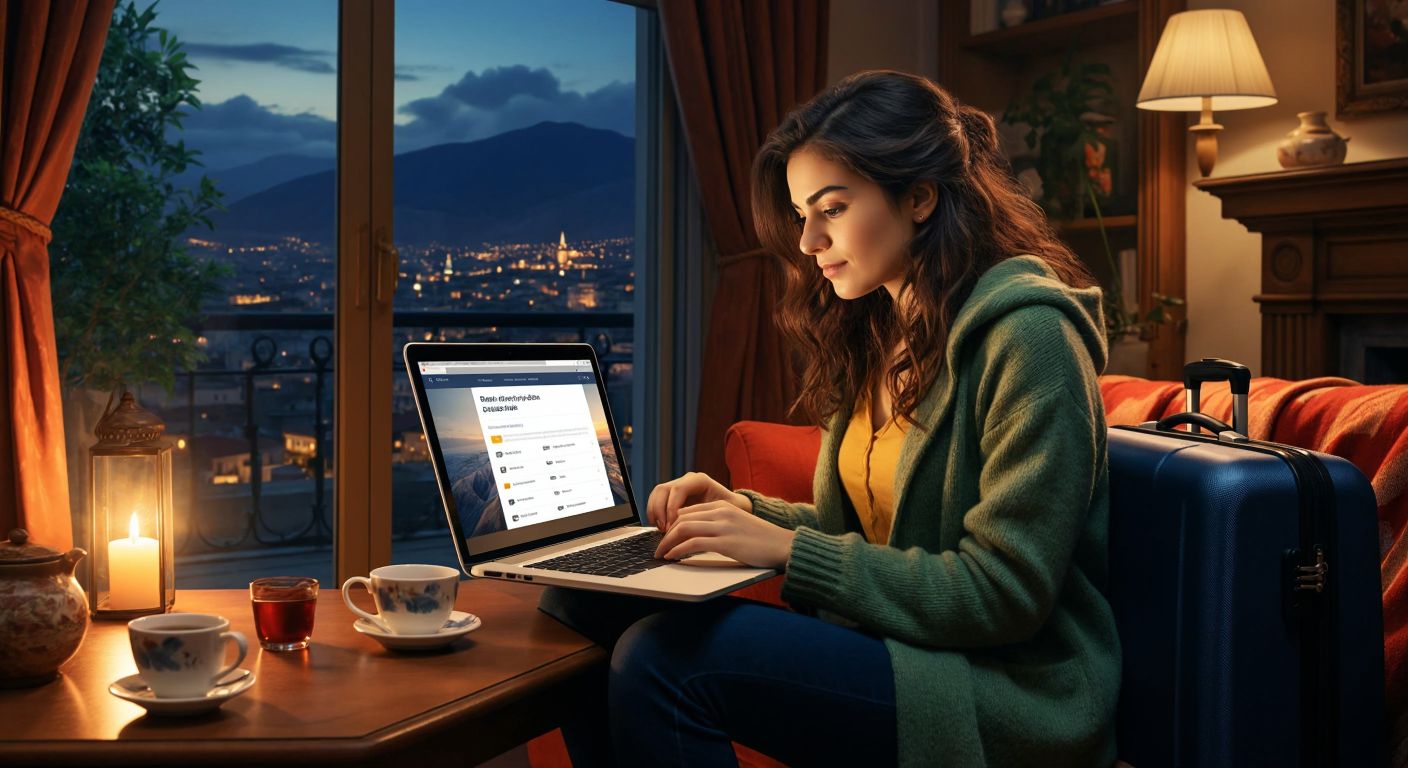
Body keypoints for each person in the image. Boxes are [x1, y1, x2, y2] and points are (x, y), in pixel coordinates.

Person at [540, 69, 1120, 767]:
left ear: (920, 198)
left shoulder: (1031, 340)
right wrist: (744, 517)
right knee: (578, 606)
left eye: (833, 208)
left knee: (664, 659)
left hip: (999, 687)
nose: (809, 240)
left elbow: (1002, 594)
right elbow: (868, 537)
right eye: (800, 214)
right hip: (899, 644)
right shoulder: (882, 331)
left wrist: (785, 550)